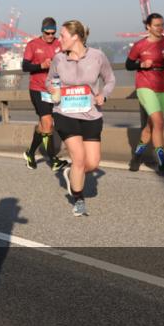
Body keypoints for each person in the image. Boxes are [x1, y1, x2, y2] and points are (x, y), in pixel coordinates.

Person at [46, 20, 115, 217]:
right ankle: (78, 199)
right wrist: (52, 88)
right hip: (65, 113)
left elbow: (110, 79)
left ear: (75, 37)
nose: (59, 40)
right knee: (79, 158)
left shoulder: (97, 56)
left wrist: (104, 94)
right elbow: (49, 80)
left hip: (91, 114)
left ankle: (71, 173)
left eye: (62, 36)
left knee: (92, 163)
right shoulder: (59, 59)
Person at [126, 13, 164, 175]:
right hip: (145, 85)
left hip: (163, 86)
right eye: (157, 25)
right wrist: (141, 64)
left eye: (162, 25)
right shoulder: (139, 45)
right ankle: (162, 163)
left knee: (150, 126)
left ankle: (136, 156)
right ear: (148, 27)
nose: (160, 28)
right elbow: (129, 65)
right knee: (159, 122)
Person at [22, 17, 68, 171]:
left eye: (52, 33)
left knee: (43, 126)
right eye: (47, 33)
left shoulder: (59, 44)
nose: (50, 36)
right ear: (42, 31)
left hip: (54, 89)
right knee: (48, 123)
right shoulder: (33, 45)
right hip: (38, 89)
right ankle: (53, 160)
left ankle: (30, 153)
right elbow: (25, 66)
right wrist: (41, 65)